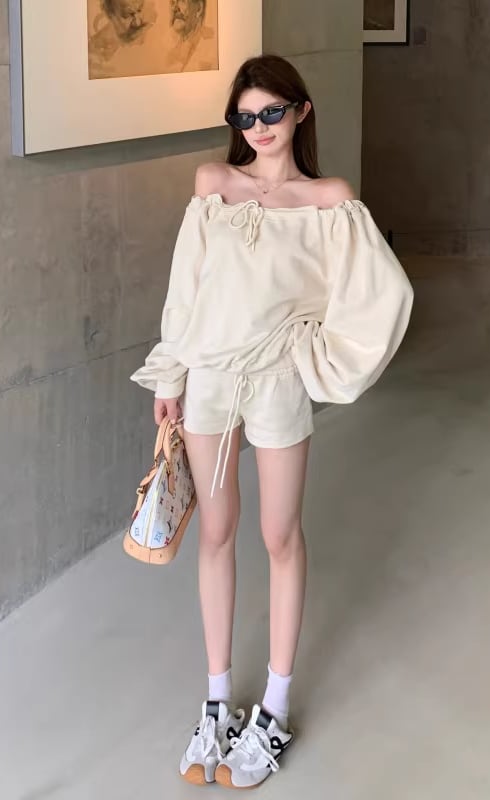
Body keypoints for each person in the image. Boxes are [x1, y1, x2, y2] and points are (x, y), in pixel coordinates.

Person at [130, 54, 414, 789]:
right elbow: (186, 293)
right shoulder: (212, 186)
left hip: (278, 383)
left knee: (280, 536)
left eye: (271, 112)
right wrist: (170, 375)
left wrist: (315, 353)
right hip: (209, 381)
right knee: (216, 532)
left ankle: (275, 708)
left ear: (301, 111)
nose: (258, 128)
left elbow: (378, 296)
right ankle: (217, 701)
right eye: (244, 116)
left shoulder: (328, 200)